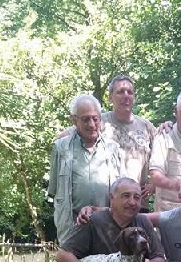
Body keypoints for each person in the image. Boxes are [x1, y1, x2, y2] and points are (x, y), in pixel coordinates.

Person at [57, 75, 155, 211]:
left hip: (138, 202)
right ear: (110, 97)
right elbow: (64, 137)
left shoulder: (146, 127)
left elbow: (163, 158)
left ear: (134, 97)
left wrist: (154, 185)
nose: (126, 96)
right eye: (120, 92)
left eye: (130, 92)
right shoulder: (97, 122)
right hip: (110, 205)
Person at [48, 94, 124, 245]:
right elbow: (55, 190)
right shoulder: (60, 148)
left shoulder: (113, 148)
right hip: (72, 227)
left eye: (95, 118)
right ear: (74, 120)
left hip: (106, 226)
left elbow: (120, 192)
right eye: (85, 119)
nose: (91, 124)